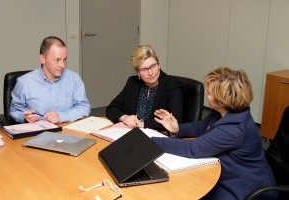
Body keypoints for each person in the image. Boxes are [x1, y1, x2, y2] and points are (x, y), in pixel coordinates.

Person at [152, 66, 277, 200]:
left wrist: (150, 140)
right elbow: (200, 128)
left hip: (244, 186)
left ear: (222, 100)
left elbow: (193, 148)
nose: (206, 93)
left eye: (210, 93)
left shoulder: (234, 128)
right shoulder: (222, 112)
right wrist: (177, 129)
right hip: (229, 174)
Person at [10, 36, 90, 124]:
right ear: (42, 59)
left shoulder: (74, 78)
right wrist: (24, 117)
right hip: (37, 132)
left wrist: (61, 116)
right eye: (57, 60)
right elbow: (15, 112)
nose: (62, 65)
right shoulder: (24, 82)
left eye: (64, 59)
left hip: (67, 130)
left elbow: (84, 107)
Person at [106, 44, 182, 131]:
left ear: (159, 64)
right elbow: (111, 108)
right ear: (137, 72)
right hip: (132, 134)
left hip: (158, 136)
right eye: (144, 69)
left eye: (153, 66)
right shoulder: (132, 83)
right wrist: (125, 118)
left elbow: (175, 120)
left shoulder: (172, 84)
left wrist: (139, 123)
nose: (151, 73)